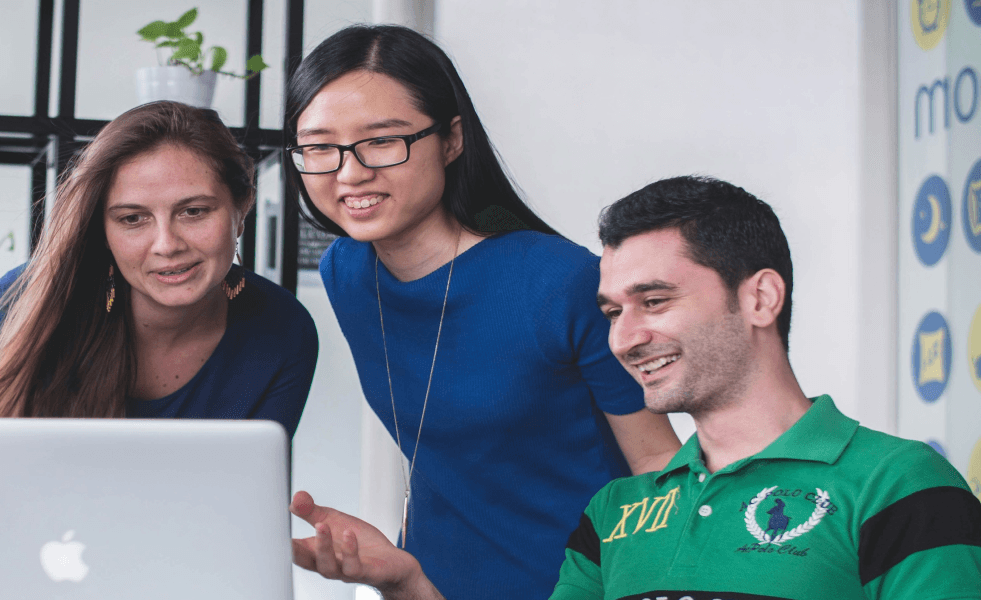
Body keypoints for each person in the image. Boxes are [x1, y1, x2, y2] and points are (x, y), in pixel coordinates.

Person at [292, 176, 981, 599]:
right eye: (613, 312)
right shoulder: (614, 513)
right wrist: (408, 583)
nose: (624, 339)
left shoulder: (898, 484)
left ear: (761, 298)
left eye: (654, 301)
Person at [284, 25, 681, 598]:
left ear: (452, 139)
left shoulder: (561, 281)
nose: (350, 173)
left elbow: (658, 465)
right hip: (427, 585)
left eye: (382, 140)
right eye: (320, 147)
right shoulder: (346, 271)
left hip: (579, 586)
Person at [0, 101, 318, 434]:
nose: (167, 245)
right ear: (101, 230)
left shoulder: (283, 329)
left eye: (194, 211)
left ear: (242, 208)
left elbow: (252, 481)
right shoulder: (13, 307)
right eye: (132, 218)